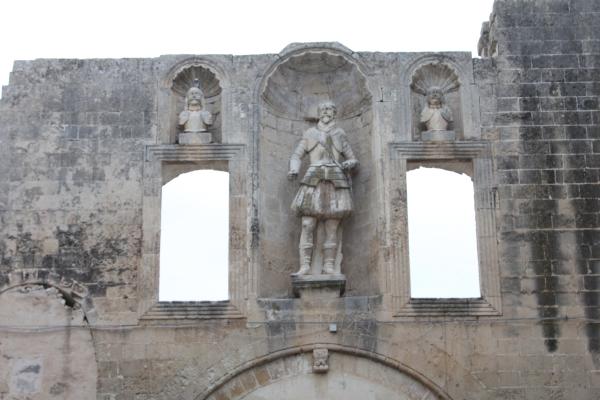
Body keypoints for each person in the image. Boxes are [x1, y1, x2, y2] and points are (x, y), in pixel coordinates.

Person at [288, 101, 358, 276]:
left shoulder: (340, 134)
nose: (326, 112)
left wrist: (350, 163)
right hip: (313, 177)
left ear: (334, 113)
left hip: (335, 178)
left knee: (332, 226)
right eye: (324, 109)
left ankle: (328, 265)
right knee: (307, 223)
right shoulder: (310, 133)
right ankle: (304, 266)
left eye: (330, 109)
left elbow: (352, 158)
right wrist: (294, 168)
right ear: (319, 113)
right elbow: (297, 155)